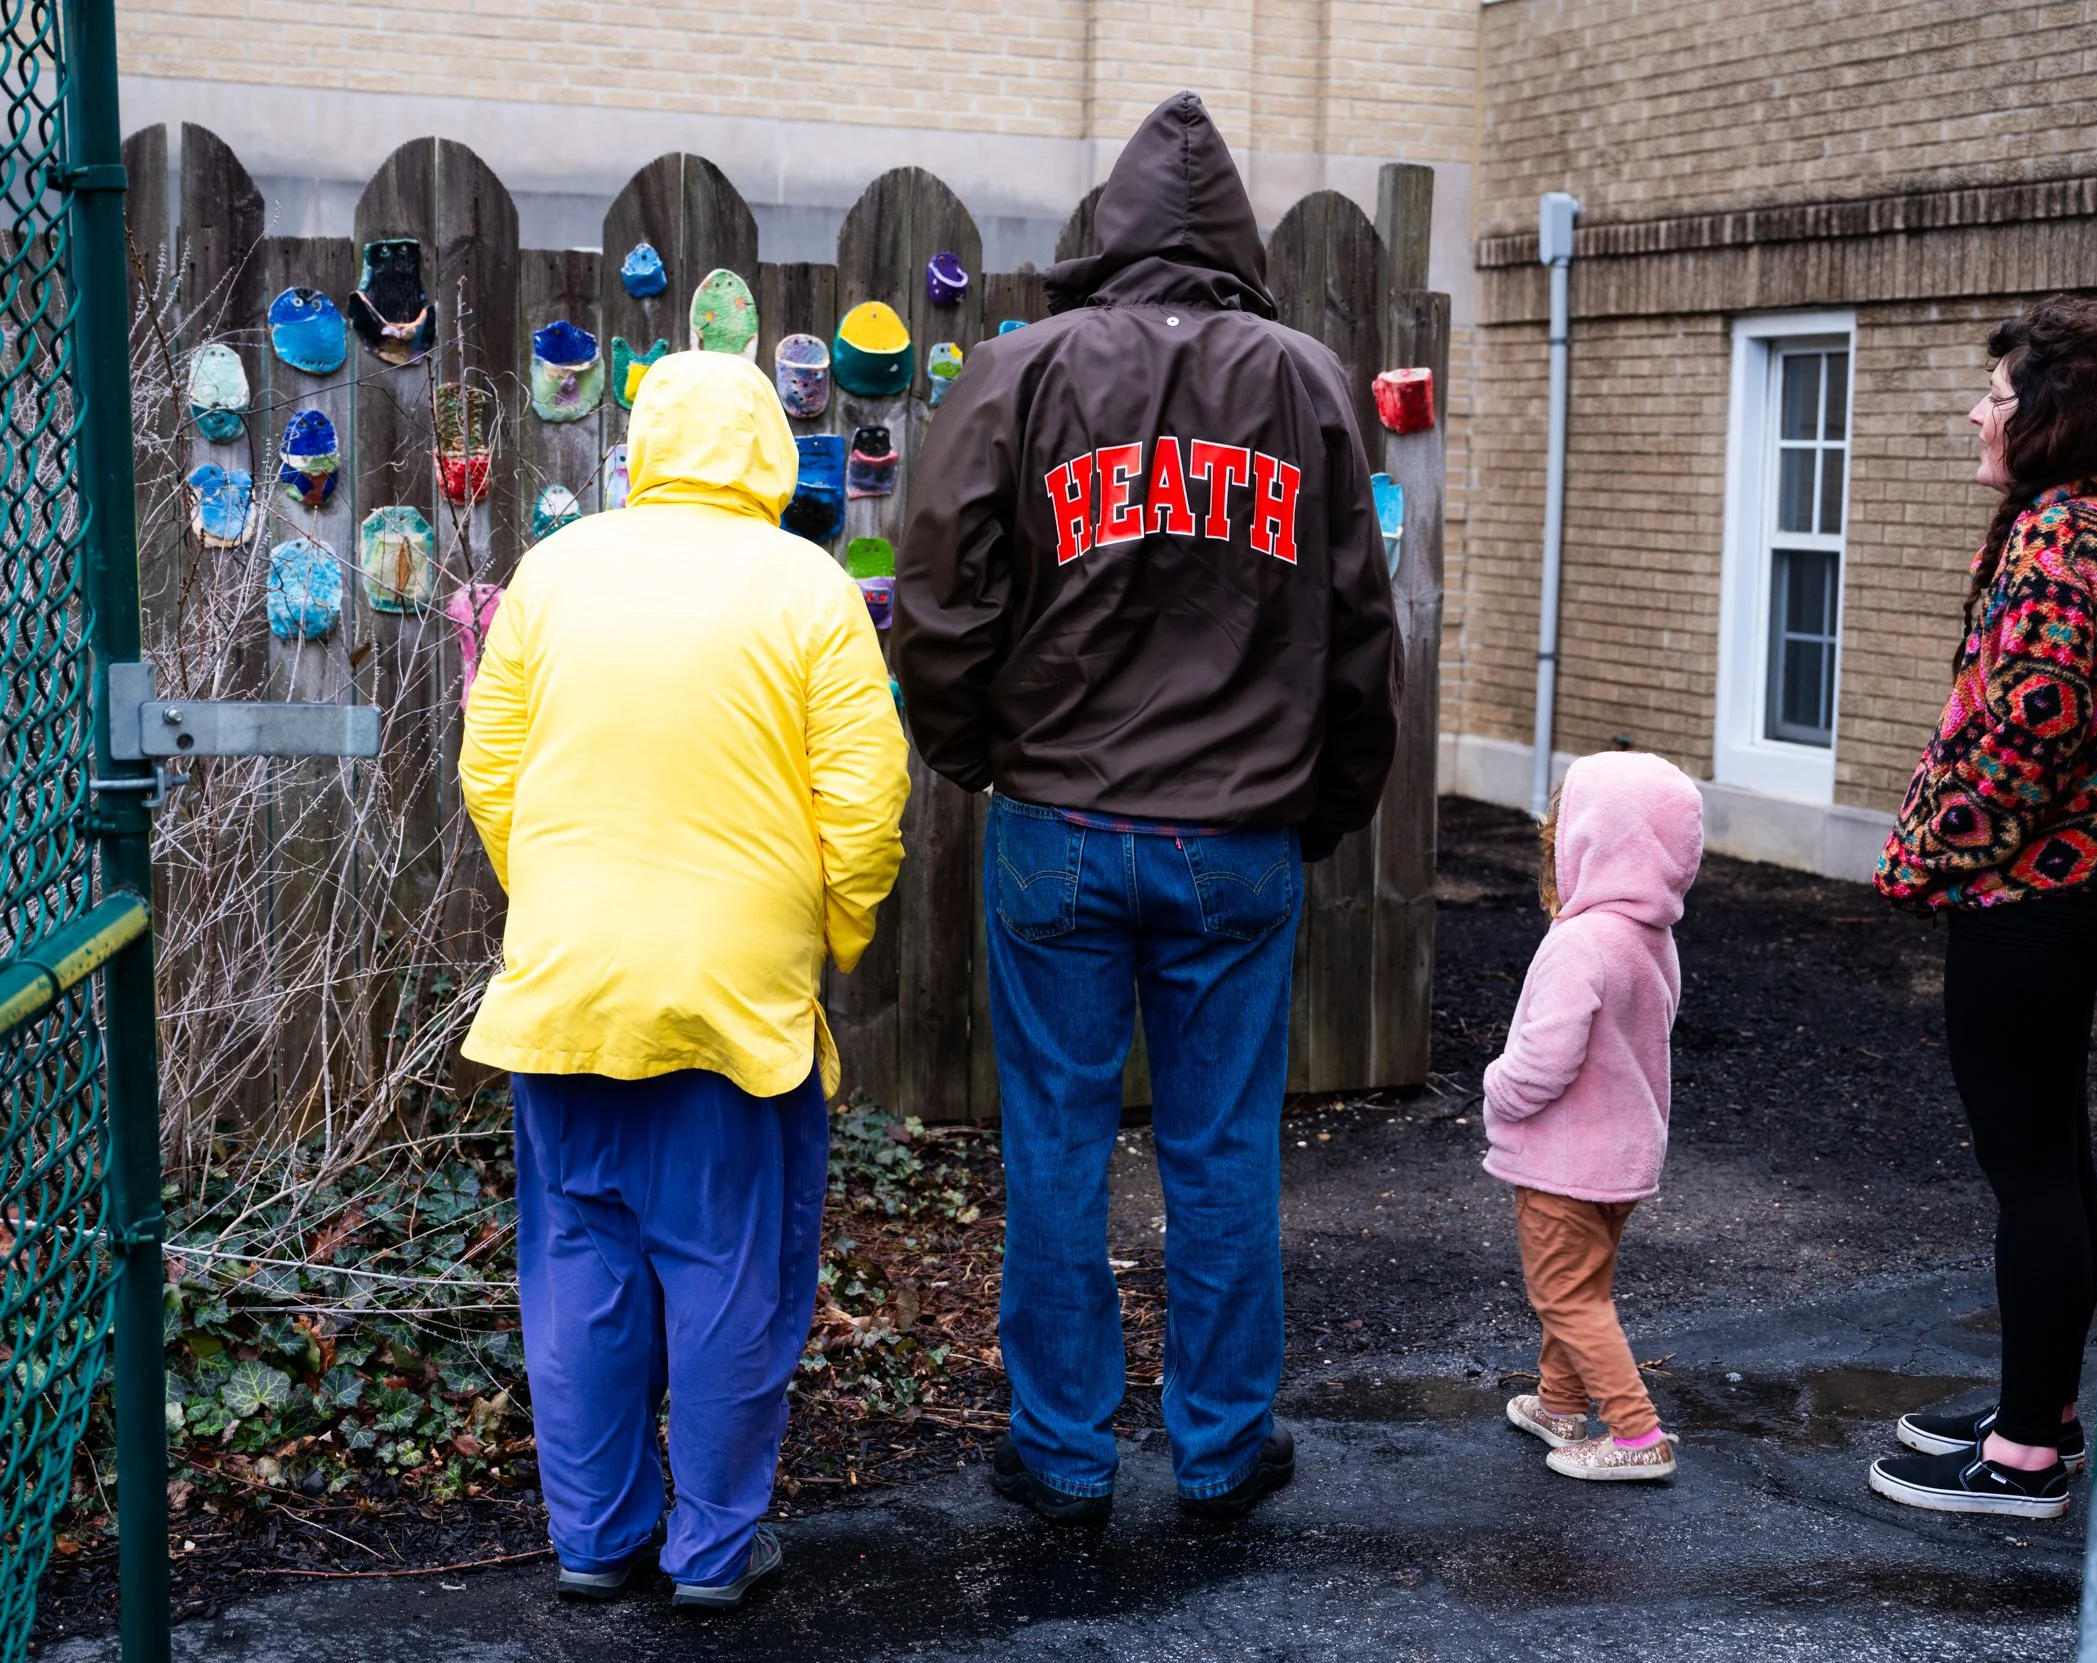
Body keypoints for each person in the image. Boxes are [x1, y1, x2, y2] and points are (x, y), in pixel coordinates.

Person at [892, 90, 1403, 1524]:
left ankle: (1062, 1451)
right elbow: (1363, 633)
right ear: (1237, 241)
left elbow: (938, 602)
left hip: (1058, 824)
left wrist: (983, 756)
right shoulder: (1306, 382)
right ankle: (1222, 1445)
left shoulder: (1020, 372)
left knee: (1055, 1141)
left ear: (1107, 232)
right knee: (1221, 1145)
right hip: (1237, 837)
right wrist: (1321, 807)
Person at [459, 351, 909, 1605]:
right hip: (735, 995)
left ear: (643, 445)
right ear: (767, 449)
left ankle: (596, 1539)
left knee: (579, 1264)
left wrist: (560, 907)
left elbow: (490, 773)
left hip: (566, 985)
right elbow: (865, 804)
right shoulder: (808, 586)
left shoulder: (555, 571)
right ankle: (713, 1547)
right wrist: (832, 937)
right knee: (726, 1266)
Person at [1867, 295, 2097, 1519]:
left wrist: (1916, 861)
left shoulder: (2061, 545)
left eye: (1994, 397)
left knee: (2034, 1169)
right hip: (2081, 885)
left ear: (2048, 416)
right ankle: (2036, 1412)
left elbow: (2017, 744)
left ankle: (2022, 1462)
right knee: (2052, 1159)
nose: (1974, 413)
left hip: (2035, 894)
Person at [1484, 752, 1700, 1483]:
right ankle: (1558, 1404)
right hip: (1623, 1156)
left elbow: (1543, 1061)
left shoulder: (1578, 942)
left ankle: (1637, 1436)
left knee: (1565, 1293)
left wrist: (1497, 1089)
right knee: (1582, 1286)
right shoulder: (1651, 940)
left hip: (1565, 1161)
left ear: (1587, 842)